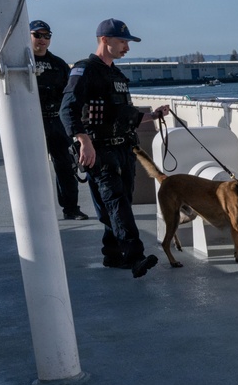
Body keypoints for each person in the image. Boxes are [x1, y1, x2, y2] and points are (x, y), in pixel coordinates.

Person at [60, 18, 169, 278]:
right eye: (122, 42)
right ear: (104, 40)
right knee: (117, 202)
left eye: (127, 43)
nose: (127, 48)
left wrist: (152, 116)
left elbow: (122, 114)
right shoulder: (84, 70)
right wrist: (83, 141)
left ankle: (112, 254)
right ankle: (135, 257)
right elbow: (68, 110)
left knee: (121, 203)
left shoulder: (117, 75)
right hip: (99, 150)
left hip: (123, 149)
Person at [30, 20, 89, 220]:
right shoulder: (22, 63)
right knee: (34, 169)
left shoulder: (58, 65)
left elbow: (70, 94)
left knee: (65, 165)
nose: (43, 40)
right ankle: (37, 211)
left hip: (56, 122)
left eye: (47, 36)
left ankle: (71, 208)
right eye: (38, 35)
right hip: (32, 123)